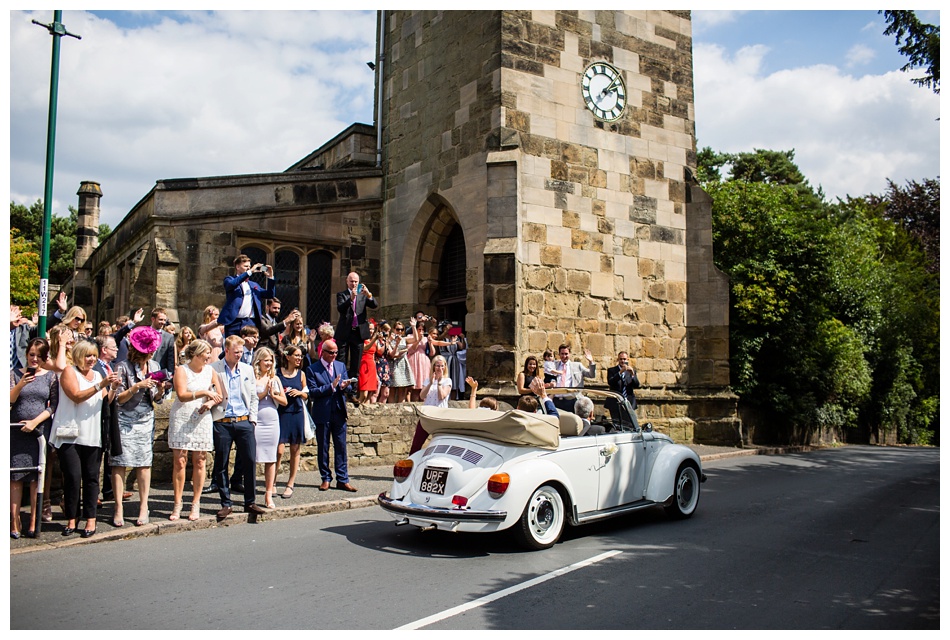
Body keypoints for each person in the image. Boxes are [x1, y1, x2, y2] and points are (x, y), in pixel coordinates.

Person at [48, 340, 120, 538]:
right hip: (69, 433)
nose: (92, 359)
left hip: (92, 433)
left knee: (91, 478)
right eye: (88, 355)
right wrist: (101, 385)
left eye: (94, 355)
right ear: (79, 355)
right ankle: (72, 518)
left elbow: (107, 400)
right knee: (72, 477)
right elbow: (77, 396)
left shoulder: (98, 374)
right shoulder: (69, 372)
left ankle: (91, 519)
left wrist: (112, 388)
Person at [111, 326, 166, 528]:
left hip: (145, 418)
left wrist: (160, 390)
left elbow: (158, 400)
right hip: (124, 418)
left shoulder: (155, 365)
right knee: (120, 462)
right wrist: (136, 387)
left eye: (151, 352)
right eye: (146, 351)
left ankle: (144, 506)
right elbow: (117, 399)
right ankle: (118, 508)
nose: (149, 355)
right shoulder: (122, 366)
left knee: (144, 462)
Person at [210, 335, 268, 520]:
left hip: (244, 421)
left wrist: (252, 420)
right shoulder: (214, 369)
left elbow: (252, 396)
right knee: (221, 463)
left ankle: (250, 501)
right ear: (226, 351)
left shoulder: (247, 369)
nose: (239, 355)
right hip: (223, 422)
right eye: (236, 352)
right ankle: (226, 503)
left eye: (241, 352)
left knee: (250, 460)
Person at [167, 340, 222, 521]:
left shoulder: (210, 371)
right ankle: (177, 503)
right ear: (197, 354)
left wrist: (210, 402)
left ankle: (195, 503)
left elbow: (219, 396)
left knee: (200, 460)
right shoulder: (182, 370)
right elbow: (182, 395)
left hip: (202, 417)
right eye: (206, 353)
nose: (209, 356)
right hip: (182, 417)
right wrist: (204, 393)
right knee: (180, 461)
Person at [10, 338, 59, 538]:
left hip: (39, 431)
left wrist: (35, 422)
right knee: (16, 476)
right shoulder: (14, 374)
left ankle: (33, 521)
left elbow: (53, 405)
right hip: (16, 430)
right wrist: (20, 384)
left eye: (39, 356)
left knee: (36, 477)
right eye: (31, 355)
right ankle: (14, 522)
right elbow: (9, 400)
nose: (35, 359)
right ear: (26, 354)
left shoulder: (50, 377)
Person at [306, 339, 356, 492]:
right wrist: (331, 387)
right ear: (323, 352)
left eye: (336, 352)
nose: (334, 355)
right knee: (323, 447)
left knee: (341, 447)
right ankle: (325, 478)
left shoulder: (340, 366)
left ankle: (343, 479)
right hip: (323, 412)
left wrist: (346, 386)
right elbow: (312, 392)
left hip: (339, 411)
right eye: (331, 352)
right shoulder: (312, 369)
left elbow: (349, 388)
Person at [252, 348, 285, 509]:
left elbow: (284, 401)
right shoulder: (252, 377)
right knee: (253, 456)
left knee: (271, 457)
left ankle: (268, 493)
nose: (269, 363)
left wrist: (273, 394)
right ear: (258, 360)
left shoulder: (275, 378)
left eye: (271, 360)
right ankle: (250, 494)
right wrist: (264, 391)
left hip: (272, 419)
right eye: (266, 360)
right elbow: (250, 399)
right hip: (256, 420)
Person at [275, 344, 308, 500]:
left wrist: (300, 393)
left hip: (296, 413)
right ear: (288, 357)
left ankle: (290, 483)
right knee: (278, 450)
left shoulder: (301, 374)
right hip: (281, 413)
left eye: (300, 356)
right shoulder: (277, 373)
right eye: (296, 355)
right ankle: (272, 481)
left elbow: (307, 394)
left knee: (295, 449)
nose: (299, 359)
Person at [218, 254, 276, 338]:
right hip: (234, 322)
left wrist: (270, 277)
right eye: (245, 266)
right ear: (237, 267)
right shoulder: (229, 279)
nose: (248, 268)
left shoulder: (253, 285)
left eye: (249, 266)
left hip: (250, 322)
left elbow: (270, 294)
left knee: (249, 347)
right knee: (233, 347)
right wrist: (250, 272)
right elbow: (232, 284)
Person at [335, 272, 378, 380]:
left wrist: (369, 295)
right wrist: (351, 298)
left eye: (356, 282)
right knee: (341, 361)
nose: (353, 284)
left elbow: (374, 305)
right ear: (347, 281)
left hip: (358, 333)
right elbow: (340, 308)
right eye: (351, 281)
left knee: (356, 363)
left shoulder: (363, 296)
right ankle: (341, 388)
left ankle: (353, 392)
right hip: (344, 332)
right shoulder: (342, 295)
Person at [408, 355, 453, 454]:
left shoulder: (447, 381)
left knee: (440, 444)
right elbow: (422, 395)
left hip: (440, 415)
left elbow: (442, 396)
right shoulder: (428, 380)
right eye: (437, 366)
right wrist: (430, 383)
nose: (440, 368)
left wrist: (439, 383)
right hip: (427, 415)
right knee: (416, 443)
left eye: (442, 366)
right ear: (433, 367)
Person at [551, 344, 596, 413]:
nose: (564, 356)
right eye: (562, 354)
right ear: (559, 354)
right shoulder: (554, 365)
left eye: (566, 354)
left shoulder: (577, 366)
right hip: (556, 400)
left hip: (571, 400)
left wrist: (591, 362)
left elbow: (591, 375)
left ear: (570, 354)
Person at [387, 320, 414, 403]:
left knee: (402, 389)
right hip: (393, 364)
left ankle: (401, 408)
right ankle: (392, 409)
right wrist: (401, 349)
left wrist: (413, 326)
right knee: (392, 389)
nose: (399, 331)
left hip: (403, 364)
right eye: (398, 329)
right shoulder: (390, 339)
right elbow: (392, 355)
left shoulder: (404, 339)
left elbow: (416, 339)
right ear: (393, 329)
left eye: (402, 329)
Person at [405, 315, 429, 402]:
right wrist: (418, 340)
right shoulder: (410, 336)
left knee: (424, 386)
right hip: (414, 360)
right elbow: (411, 350)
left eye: (423, 330)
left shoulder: (426, 338)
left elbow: (431, 352)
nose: (421, 331)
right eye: (419, 329)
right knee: (414, 386)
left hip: (424, 362)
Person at [357, 319, 380, 405]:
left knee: (370, 394)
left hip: (371, 366)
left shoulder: (373, 340)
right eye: (369, 328)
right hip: (364, 365)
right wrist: (374, 339)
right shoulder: (362, 339)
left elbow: (375, 354)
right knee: (364, 394)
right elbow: (365, 348)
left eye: (372, 329)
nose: (371, 331)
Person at [372, 322, 392, 404]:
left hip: (385, 366)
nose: (387, 333)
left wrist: (397, 345)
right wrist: (387, 342)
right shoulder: (376, 340)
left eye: (388, 331)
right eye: (385, 330)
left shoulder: (386, 341)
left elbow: (392, 353)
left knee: (386, 393)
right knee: (375, 392)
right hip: (377, 365)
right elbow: (380, 351)